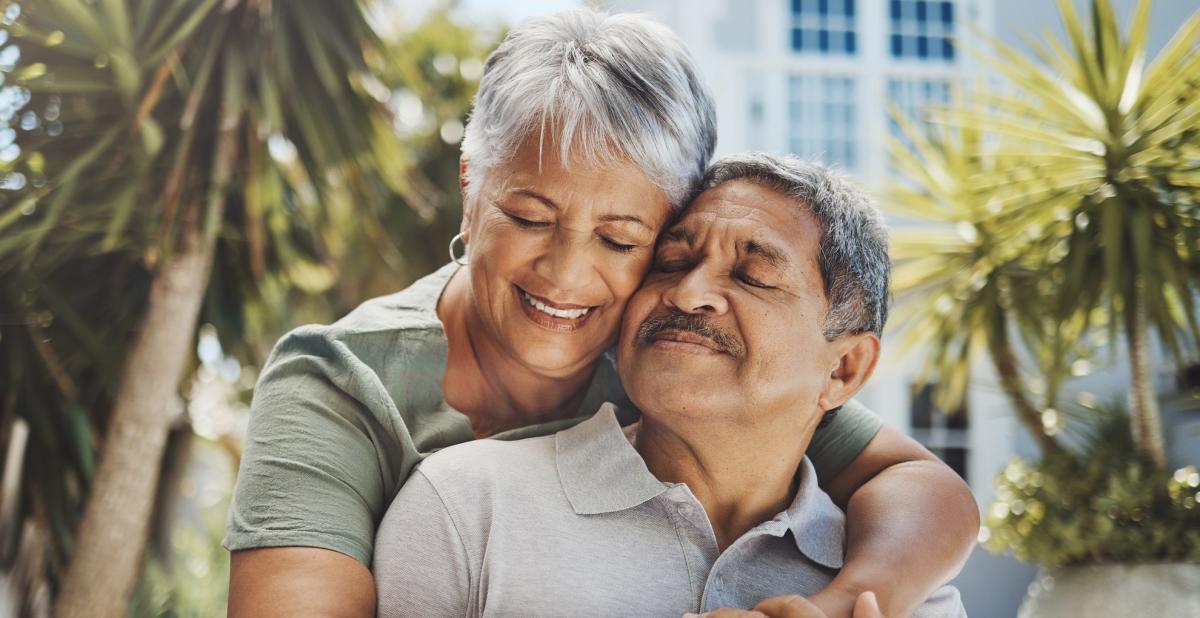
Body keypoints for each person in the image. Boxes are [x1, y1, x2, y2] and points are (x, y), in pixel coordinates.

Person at [226, 9, 978, 618]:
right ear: (470, 184)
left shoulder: (677, 358)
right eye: (527, 216)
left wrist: (844, 604)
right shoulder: (344, 386)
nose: (565, 273)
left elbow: (926, 488)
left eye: (623, 239)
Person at [372, 154, 966, 617]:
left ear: (843, 371)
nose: (687, 293)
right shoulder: (464, 504)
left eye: (753, 276)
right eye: (672, 263)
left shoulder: (911, 595)